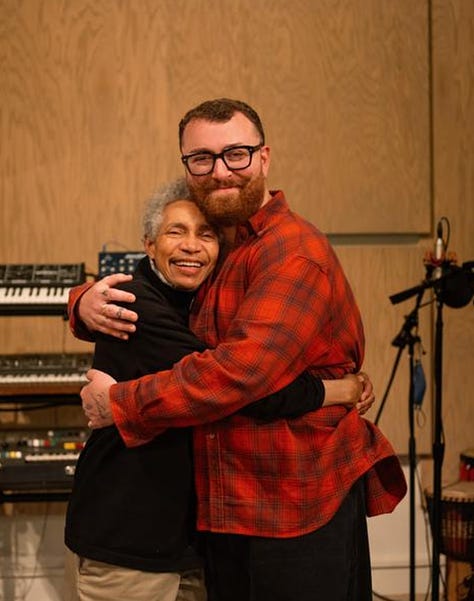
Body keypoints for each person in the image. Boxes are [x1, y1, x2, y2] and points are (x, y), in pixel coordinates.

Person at [70, 98, 406, 601]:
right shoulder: (225, 245)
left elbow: (237, 375)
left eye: (237, 154)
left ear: (264, 158)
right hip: (226, 512)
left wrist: (121, 403)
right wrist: (80, 301)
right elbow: (156, 302)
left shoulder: (292, 253)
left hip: (291, 505)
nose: (220, 170)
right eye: (202, 158)